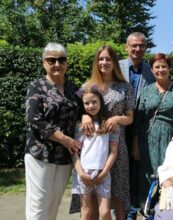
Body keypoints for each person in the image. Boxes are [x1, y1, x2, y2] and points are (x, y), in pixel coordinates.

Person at [70, 45, 135, 220]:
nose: (104, 62)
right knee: (91, 198)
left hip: (116, 146)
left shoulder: (125, 87)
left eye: (108, 59)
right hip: (92, 147)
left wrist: (117, 119)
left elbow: (130, 118)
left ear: (114, 62)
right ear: (96, 62)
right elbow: (77, 111)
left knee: (118, 195)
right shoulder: (87, 86)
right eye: (101, 59)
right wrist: (83, 117)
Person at [25, 42, 81, 220]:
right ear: (44, 63)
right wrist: (64, 139)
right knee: (39, 205)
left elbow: (82, 112)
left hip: (65, 157)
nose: (57, 64)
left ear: (67, 63)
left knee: (53, 205)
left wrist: (85, 117)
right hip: (41, 153)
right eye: (51, 60)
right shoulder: (36, 86)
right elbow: (33, 118)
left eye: (61, 60)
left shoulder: (74, 89)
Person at [133, 53, 173, 210]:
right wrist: (135, 144)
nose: (161, 69)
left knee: (168, 173)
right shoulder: (146, 90)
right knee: (146, 175)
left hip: (169, 139)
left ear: (169, 69)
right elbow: (138, 119)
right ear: (152, 70)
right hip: (146, 138)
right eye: (157, 67)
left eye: (164, 66)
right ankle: (146, 210)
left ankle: (165, 209)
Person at [119, 32, 155, 220]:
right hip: (118, 128)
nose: (137, 49)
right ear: (126, 47)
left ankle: (140, 208)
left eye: (141, 45)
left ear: (146, 48)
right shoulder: (116, 66)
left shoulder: (152, 70)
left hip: (142, 129)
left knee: (140, 171)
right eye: (134, 45)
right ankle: (124, 212)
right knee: (121, 174)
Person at [72, 85, 120, 220]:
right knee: (86, 211)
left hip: (103, 173)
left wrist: (104, 173)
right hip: (83, 173)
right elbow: (74, 151)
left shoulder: (111, 125)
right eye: (86, 103)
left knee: (105, 212)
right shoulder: (80, 125)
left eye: (94, 102)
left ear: (101, 101)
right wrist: (81, 173)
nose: (91, 106)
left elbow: (113, 152)